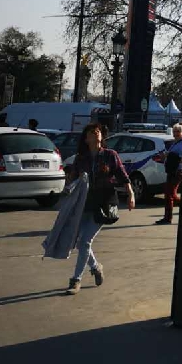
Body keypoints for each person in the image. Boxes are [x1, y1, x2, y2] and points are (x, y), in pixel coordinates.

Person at [65, 122, 135, 292]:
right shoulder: (80, 158)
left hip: (104, 204)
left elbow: (123, 176)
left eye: (98, 131)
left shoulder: (110, 155)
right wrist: (71, 186)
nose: (96, 133)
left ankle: (76, 280)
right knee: (80, 243)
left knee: (85, 241)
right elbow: (72, 180)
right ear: (86, 138)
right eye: (92, 132)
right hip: (84, 204)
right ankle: (96, 267)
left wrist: (131, 194)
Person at [155, 123, 182, 225]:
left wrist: (173, 158)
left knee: (169, 195)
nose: (176, 134)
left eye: (178, 132)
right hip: (171, 171)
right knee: (170, 195)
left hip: (177, 171)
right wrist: (165, 156)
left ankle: (168, 218)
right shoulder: (175, 143)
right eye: (174, 131)